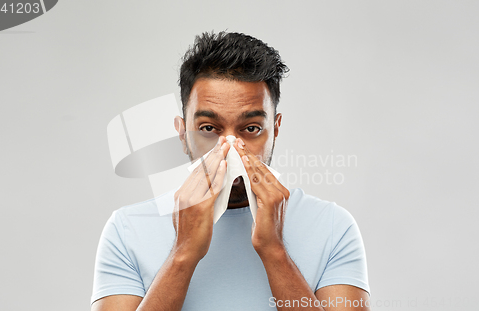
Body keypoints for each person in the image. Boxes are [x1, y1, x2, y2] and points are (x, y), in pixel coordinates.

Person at [91, 31, 370, 311]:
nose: (231, 148)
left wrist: (274, 252)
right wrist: (183, 252)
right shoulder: (127, 230)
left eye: (251, 129)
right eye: (209, 129)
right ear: (181, 132)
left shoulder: (333, 226)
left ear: (276, 129)